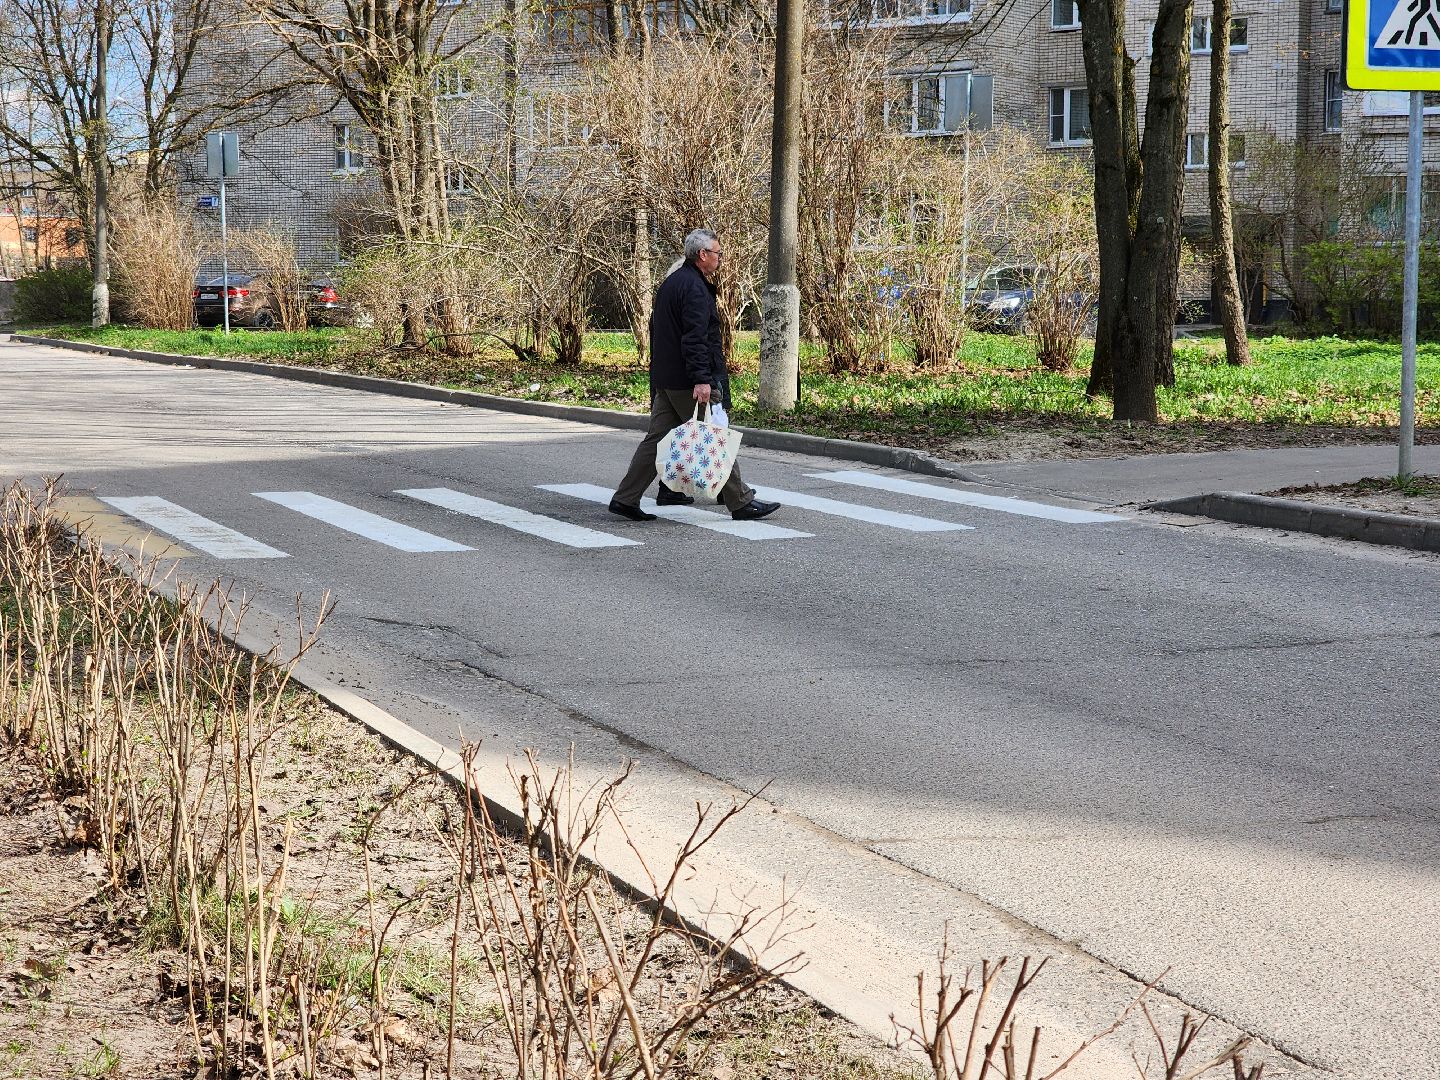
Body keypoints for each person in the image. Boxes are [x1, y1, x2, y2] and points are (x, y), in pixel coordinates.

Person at [609, 228, 780, 523]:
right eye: (717, 253)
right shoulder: (694, 289)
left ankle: (625, 499)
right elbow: (694, 339)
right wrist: (702, 379)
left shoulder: (673, 283)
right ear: (702, 255)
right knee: (714, 439)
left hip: (667, 378)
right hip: (687, 382)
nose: (719, 258)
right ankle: (741, 502)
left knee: (656, 441)